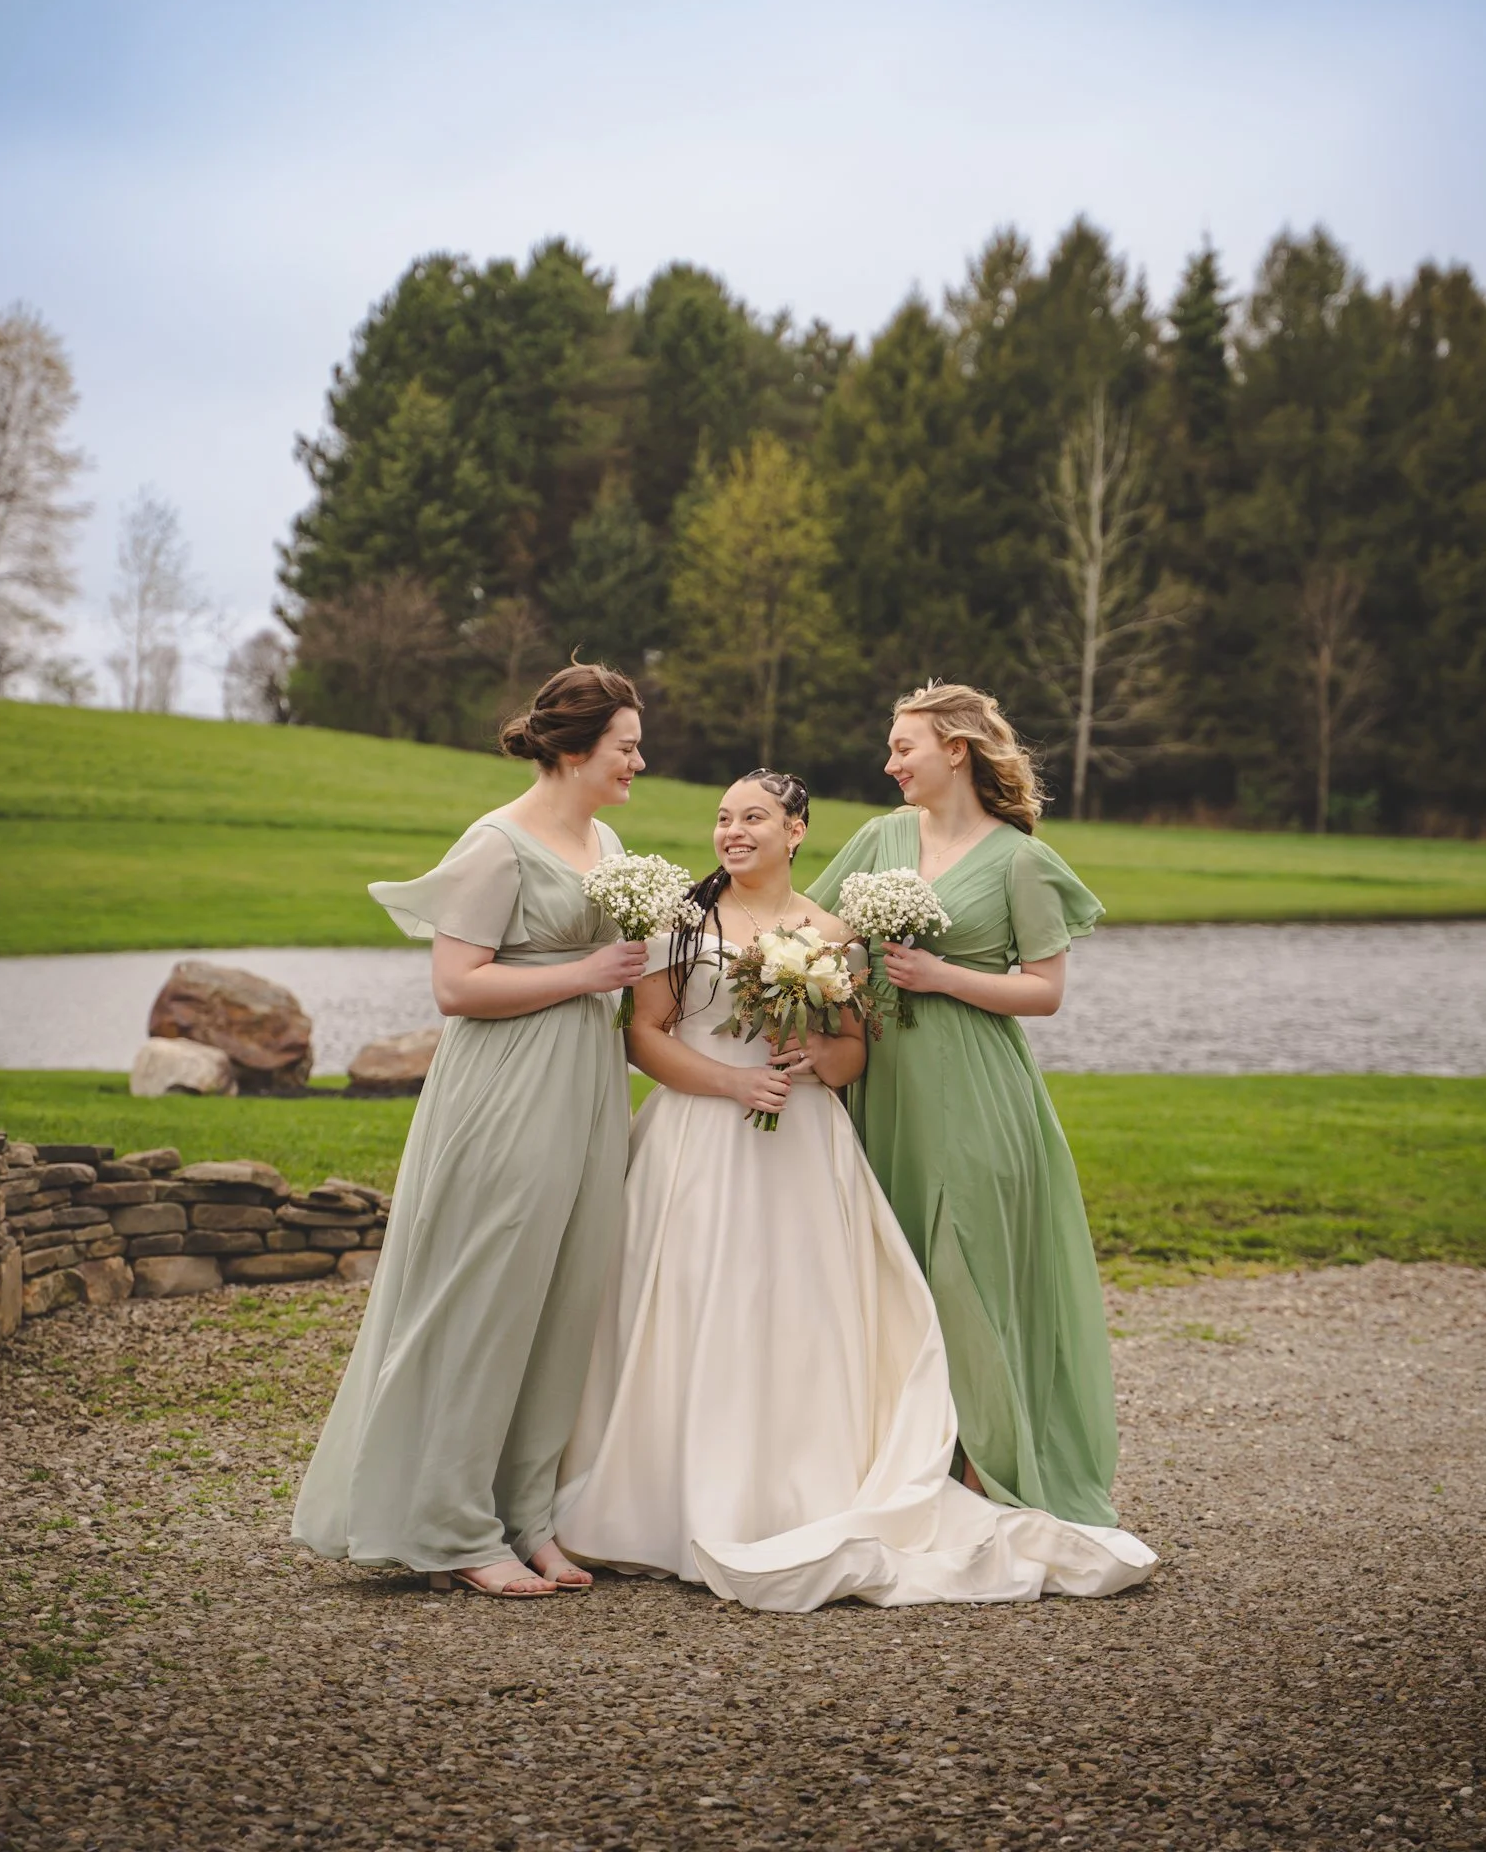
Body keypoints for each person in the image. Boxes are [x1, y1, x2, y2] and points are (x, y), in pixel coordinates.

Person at [553, 769, 1155, 1609]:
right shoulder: (678, 920)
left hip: (803, 1142)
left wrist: (809, 1065)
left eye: (754, 818)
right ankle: (665, 1497)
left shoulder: (829, 931)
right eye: (724, 817)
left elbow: (851, 1054)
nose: (733, 831)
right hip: (694, 1139)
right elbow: (643, 1038)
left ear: (796, 830)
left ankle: (793, 1487)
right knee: (690, 1300)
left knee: (800, 1310)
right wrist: (730, 1086)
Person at [291, 663, 650, 1597]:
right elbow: (457, 987)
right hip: (507, 1092)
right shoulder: (497, 844)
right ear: (574, 749)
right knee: (487, 1294)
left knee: (566, 1297)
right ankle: (450, 1525)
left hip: (587, 1086)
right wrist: (586, 973)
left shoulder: (606, 836)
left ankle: (526, 1517)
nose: (638, 763)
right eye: (625, 747)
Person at [809, 682, 1122, 1528]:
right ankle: (908, 1461)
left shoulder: (1019, 860)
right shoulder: (879, 837)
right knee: (894, 1264)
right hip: (882, 1085)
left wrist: (941, 975)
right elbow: (814, 930)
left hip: (976, 1091)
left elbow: (1046, 993)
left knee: (966, 1266)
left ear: (955, 749)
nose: (889, 763)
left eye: (903, 747)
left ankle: (989, 1471)